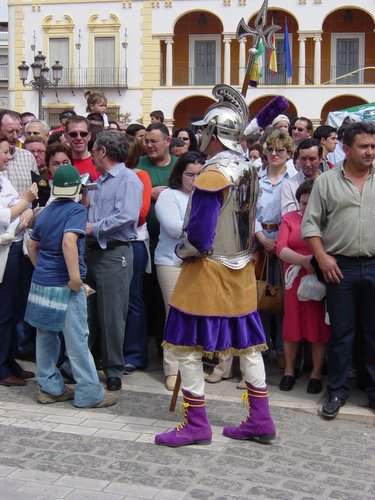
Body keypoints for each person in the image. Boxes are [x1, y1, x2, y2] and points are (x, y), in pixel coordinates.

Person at [155, 84, 276, 447]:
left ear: (212, 133)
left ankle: (196, 423)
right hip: (241, 269)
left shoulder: (211, 174)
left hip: (207, 272)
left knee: (187, 348)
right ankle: (260, 418)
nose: (199, 136)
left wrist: (181, 250)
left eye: (203, 130)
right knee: (250, 349)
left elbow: (200, 235)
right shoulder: (248, 167)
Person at [25, 165, 116, 408]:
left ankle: (49, 388)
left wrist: (40, 269)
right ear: (79, 188)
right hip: (65, 286)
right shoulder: (76, 211)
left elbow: (32, 246)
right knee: (77, 341)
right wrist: (75, 279)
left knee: (45, 337)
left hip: (41, 284)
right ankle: (89, 393)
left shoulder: (44, 213)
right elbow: (69, 241)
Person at [302, 121, 375, 418]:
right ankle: (338, 391)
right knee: (342, 333)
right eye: (364, 146)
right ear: (346, 148)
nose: (370, 151)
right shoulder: (326, 182)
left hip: (374, 263)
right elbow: (310, 225)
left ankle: (372, 392)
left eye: (373, 146)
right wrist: (322, 257)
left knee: (373, 333)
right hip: (339, 267)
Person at [85, 131, 143, 392]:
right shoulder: (98, 181)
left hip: (114, 253)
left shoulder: (128, 179)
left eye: (94, 149)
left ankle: (113, 370)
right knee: (87, 315)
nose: (91, 154)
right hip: (93, 252)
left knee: (111, 315)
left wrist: (92, 228)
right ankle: (84, 365)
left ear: (103, 151)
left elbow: (127, 216)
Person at [155, 151, 204, 390]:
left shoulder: (207, 197)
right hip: (171, 261)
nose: (194, 179)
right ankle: (172, 369)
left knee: (195, 314)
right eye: (190, 174)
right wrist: (204, 228)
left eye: (199, 174)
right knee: (174, 314)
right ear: (180, 174)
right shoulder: (169, 195)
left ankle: (192, 367)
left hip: (198, 263)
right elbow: (173, 227)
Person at [277, 180, 330, 393]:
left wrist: (317, 262)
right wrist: (303, 261)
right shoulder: (289, 219)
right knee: (292, 326)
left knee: (318, 327)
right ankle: (289, 371)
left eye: (311, 203)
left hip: (319, 280)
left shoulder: (327, 220)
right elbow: (281, 247)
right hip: (295, 279)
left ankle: (316, 373)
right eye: (303, 202)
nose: (306, 207)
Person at [255, 130, 297, 367]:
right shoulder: (256, 177)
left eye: (279, 150)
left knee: (282, 298)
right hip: (260, 242)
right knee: (259, 296)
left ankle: (282, 349)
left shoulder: (293, 179)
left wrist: (279, 241)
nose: (273, 154)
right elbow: (249, 211)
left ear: (288, 153)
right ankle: (260, 348)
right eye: (270, 149)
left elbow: (292, 214)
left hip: (284, 242)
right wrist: (261, 237)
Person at [0, 132, 38, 386]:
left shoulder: (3, 178)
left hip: (15, 248)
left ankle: (10, 360)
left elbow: (21, 207)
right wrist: (26, 201)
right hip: (3, 253)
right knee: (3, 312)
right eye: (5, 151)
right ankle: (1, 368)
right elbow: (5, 215)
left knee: (14, 310)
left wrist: (26, 208)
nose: (9, 156)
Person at [138, 122, 177, 352]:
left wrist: (164, 193)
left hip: (172, 248)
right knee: (145, 297)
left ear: (168, 141)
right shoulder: (138, 165)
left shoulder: (179, 166)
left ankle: (167, 349)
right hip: (145, 241)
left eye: (154, 141)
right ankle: (145, 347)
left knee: (168, 302)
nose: (149, 146)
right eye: (146, 141)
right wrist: (148, 192)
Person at [123, 135, 152, 373]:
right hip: (112, 243)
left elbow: (140, 214)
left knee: (133, 300)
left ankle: (134, 353)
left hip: (134, 244)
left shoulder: (140, 175)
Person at [281, 138, 322, 215]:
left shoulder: (329, 183)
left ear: (320, 158)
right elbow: (290, 217)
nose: (307, 164)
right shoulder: (289, 186)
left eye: (312, 159)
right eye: (303, 159)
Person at [64, 116, 99, 181]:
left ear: (89, 136)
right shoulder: (61, 164)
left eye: (83, 134)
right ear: (66, 137)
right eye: (73, 134)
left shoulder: (100, 163)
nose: (79, 138)